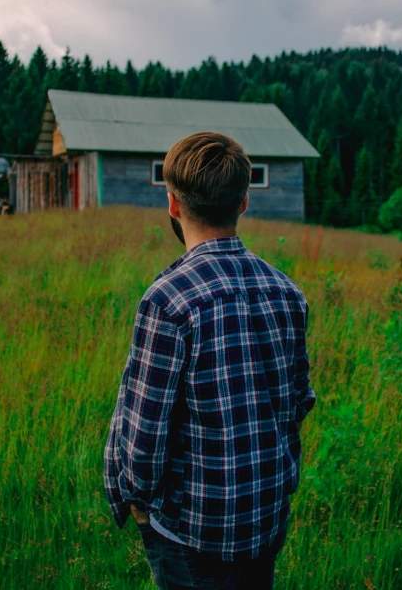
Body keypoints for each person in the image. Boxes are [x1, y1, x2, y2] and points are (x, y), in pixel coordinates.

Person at [104, 132, 316, 590]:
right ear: (242, 203)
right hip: (267, 517)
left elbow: (145, 434)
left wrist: (138, 506)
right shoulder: (287, 292)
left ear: (174, 206)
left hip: (193, 532)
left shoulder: (168, 301)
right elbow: (299, 401)